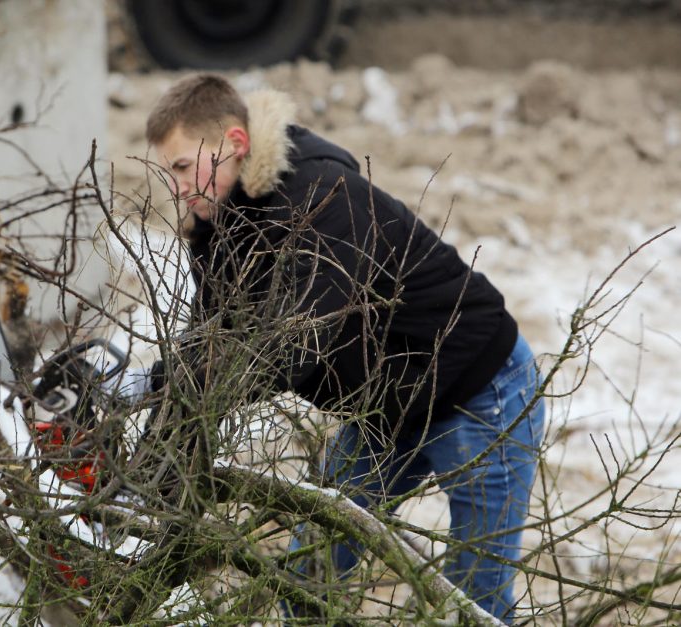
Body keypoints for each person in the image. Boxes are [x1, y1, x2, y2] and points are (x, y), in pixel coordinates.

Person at [141, 73, 546, 623]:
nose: (178, 187)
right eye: (170, 173)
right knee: (309, 576)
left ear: (235, 143)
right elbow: (212, 345)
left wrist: (150, 380)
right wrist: (149, 462)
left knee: (476, 599)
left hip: (479, 393)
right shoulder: (220, 226)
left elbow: (292, 345)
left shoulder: (325, 199)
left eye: (184, 167)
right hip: (386, 407)